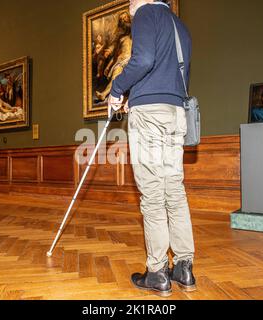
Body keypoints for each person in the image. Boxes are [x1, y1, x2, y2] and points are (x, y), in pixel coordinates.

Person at [108, 0, 196, 297]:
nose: (130, 3)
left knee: (152, 193)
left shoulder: (146, 13)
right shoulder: (179, 24)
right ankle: (184, 267)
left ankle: (157, 272)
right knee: (175, 190)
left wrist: (118, 89)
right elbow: (172, 74)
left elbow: (143, 59)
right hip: (176, 113)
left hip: (150, 117)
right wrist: (140, 94)